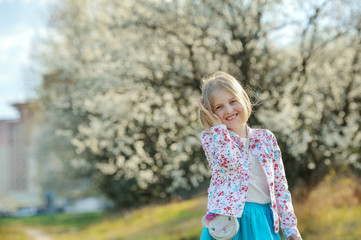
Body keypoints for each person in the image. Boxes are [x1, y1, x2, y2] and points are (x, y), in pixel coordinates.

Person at [198, 71, 302, 240]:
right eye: (219, 107)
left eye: (233, 101)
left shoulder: (266, 139)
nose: (229, 110)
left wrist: (290, 228)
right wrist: (217, 127)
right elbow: (229, 161)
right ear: (210, 112)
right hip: (228, 224)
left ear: (243, 99)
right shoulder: (212, 138)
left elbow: (280, 188)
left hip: (262, 221)